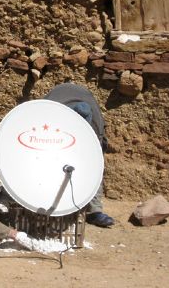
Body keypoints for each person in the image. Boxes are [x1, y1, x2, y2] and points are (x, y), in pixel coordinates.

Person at [44, 83, 114, 228]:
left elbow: (94, 161)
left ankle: (95, 211)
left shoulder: (94, 125)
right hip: (55, 136)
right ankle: (50, 204)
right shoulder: (53, 114)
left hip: (88, 136)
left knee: (94, 167)